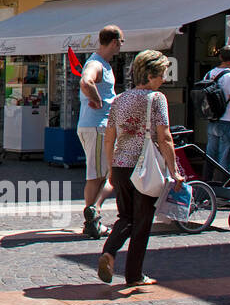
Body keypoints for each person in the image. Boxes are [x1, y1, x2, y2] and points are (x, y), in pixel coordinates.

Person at [98, 50, 184, 287]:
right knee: (143, 220)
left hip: (121, 164)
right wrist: (174, 170)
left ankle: (109, 252)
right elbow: (164, 137)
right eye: (161, 75)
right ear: (149, 74)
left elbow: (109, 137)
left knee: (126, 216)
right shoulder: (156, 99)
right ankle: (134, 274)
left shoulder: (119, 100)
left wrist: (110, 168)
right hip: (145, 167)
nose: (163, 80)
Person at [78, 25, 123, 239]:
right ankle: (92, 218)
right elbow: (85, 81)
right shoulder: (96, 63)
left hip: (98, 126)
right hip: (97, 126)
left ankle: (92, 217)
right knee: (97, 175)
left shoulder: (102, 64)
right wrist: (96, 99)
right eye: (120, 42)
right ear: (114, 42)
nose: (120, 47)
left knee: (101, 174)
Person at [203, 45, 230, 185]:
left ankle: (205, 188)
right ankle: (222, 191)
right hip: (228, 122)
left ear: (220, 57)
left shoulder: (209, 74)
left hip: (213, 121)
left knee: (210, 158)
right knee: (225, 160)